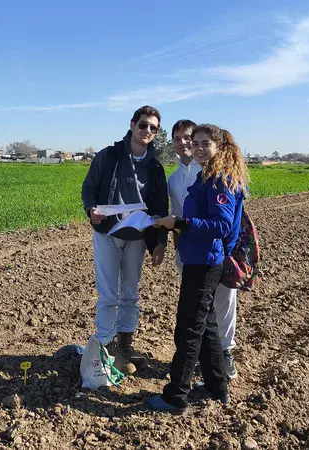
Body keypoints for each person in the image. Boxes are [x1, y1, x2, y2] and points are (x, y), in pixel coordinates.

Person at [146, 124, 249, 414]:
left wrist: (178, 223)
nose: (199, 148)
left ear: (220, 147)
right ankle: (218, 387)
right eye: (197, 142)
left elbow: (222, 225)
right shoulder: (209, 175)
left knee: (189, 329)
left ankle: (175, 396)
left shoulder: (219, 179)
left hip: (205, 260)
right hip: (197, 257)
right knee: (207, 327)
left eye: (206, 144)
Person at [81, 105, 169, 374]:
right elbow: (89, 187)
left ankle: (125, 345)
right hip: (108, 234)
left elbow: (159, 208)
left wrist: (158, 243)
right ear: (132, 125)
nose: (147, 131)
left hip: (136, 238)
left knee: (130, 293)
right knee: (108, 295)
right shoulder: (109, 156)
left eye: (153, 128)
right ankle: (106, 347)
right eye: (143, 125)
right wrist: (91, 209)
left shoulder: (155, 167)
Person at [167, 119, 239, 379]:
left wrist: (183, 223)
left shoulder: (219, 174)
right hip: (190, 251)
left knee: (223, 300)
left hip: (216, 251)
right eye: (180, 139)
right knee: (203, 309)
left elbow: (223, 219)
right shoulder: (176, 178)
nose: (185, 144)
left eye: (192, 139)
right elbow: (177, 214)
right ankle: (211, 364)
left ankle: (225, 353)